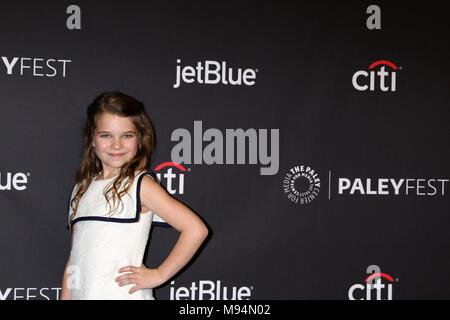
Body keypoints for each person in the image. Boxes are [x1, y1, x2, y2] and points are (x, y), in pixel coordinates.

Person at [60, 91, 209, 300]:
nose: (116, 145)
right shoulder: (81, 189)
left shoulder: (140, 184)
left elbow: (196, 229)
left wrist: (159, 275)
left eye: (126, 135)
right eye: (106, 135)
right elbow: (75, 258)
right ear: (92, 139)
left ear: (140, 138)